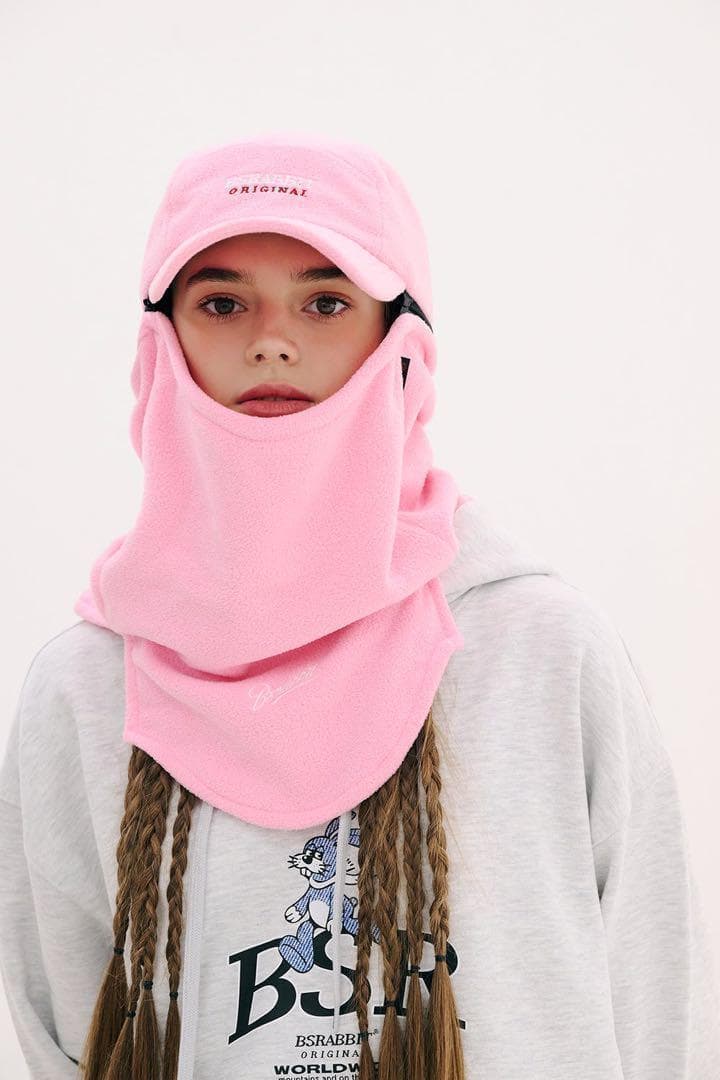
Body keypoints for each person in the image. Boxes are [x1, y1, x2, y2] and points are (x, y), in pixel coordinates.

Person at [0, 132, 718, 1080]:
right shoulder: (85, 689)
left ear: (400, 343)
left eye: (327, 302)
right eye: (221, 303)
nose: (272, 339)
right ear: (159, 346)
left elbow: (657, 1003)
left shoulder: (544, 652)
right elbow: (65, 1037)